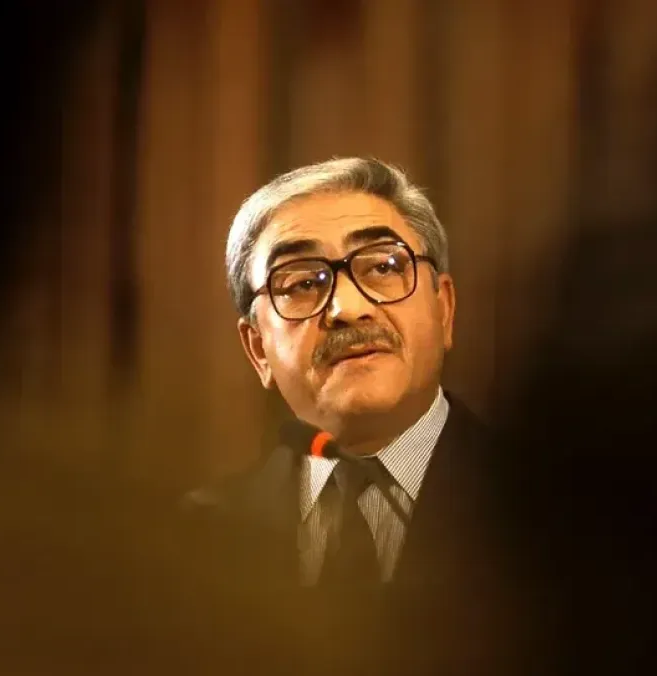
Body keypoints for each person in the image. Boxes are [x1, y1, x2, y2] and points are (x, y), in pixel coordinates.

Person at [181, 157, 531, 674]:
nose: (346, 308)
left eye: (384, 267)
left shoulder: (567, 514)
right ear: (258, 350)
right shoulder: (193, 542)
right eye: (302, 283)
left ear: (444, 309)